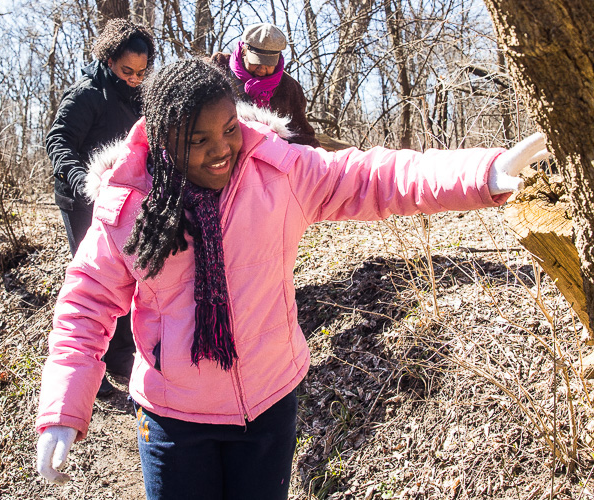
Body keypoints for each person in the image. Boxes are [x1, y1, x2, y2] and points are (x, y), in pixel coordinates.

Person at [35, 58, 549, 498]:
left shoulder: (279, 174)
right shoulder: (127, 206)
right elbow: (85, 307)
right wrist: (64, 407)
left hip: (268, 408)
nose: (221, 149)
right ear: (166, 141)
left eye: (229, 129)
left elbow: (376, 176)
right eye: (199, 140)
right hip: (173, 420)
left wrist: (483, 173)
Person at [46, 19, 155, 397]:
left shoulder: (140, 98)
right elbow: (58, 141)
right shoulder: (86, 96)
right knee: (96, 276)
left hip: (123, 197)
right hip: (82, 199)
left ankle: (123, 354)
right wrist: (82, 183)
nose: (134, 78)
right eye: (127, 71)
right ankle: (93, 367)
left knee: (130, 270)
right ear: (109, 60)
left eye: (141, 72)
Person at [211, 22, 321, 148]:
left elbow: (302, 136)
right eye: (256, 62)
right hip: (221, 150)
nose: (262, 70)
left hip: (267, 158)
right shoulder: (218, 69)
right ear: (244, 51)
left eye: (269, 65)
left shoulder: (289, 88)